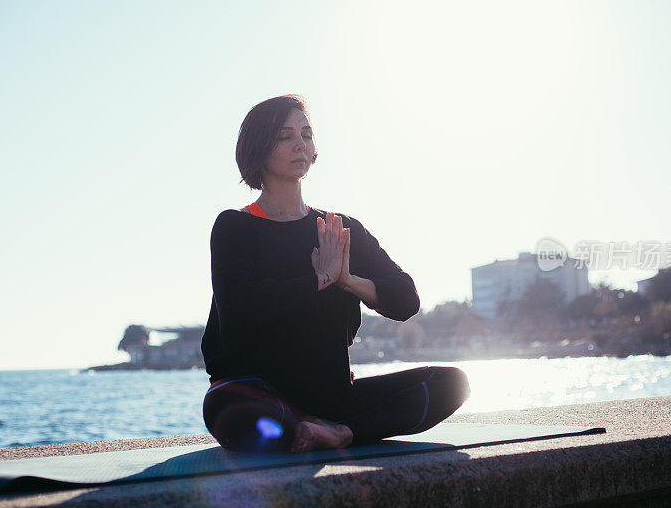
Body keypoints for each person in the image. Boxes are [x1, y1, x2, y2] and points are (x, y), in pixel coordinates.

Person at [201, 95, 470, 453]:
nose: (300, 143)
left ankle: (339, 432)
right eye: (285, 135)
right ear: (258, 149)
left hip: (332, 396)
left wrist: (347, 281)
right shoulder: (234, 227)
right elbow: (239, 315)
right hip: (257, 394)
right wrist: (317, 281)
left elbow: (407, 299)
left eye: (306, 134)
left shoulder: (341, 230)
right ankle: (313, 429)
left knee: (452, 383)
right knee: (227, 407)